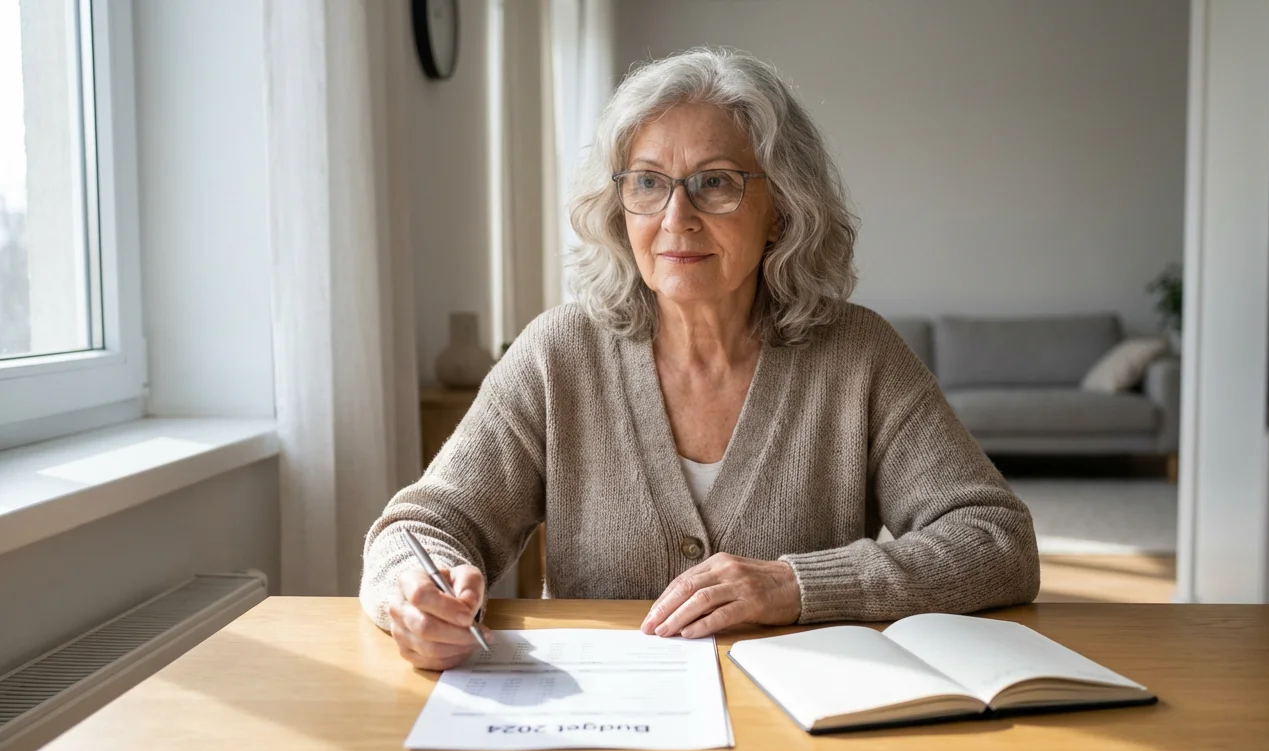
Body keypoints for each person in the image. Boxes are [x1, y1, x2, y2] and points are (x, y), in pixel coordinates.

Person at [360, 47, 1039, 671]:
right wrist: (411, 592)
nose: (675, 216)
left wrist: (795, 585)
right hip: (607, 725)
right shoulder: (558, 354)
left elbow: (997, 541)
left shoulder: (860, 355)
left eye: (715, 183)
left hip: (807, 720)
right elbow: (421, 527)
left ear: (782, 208)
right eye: (649, 183)